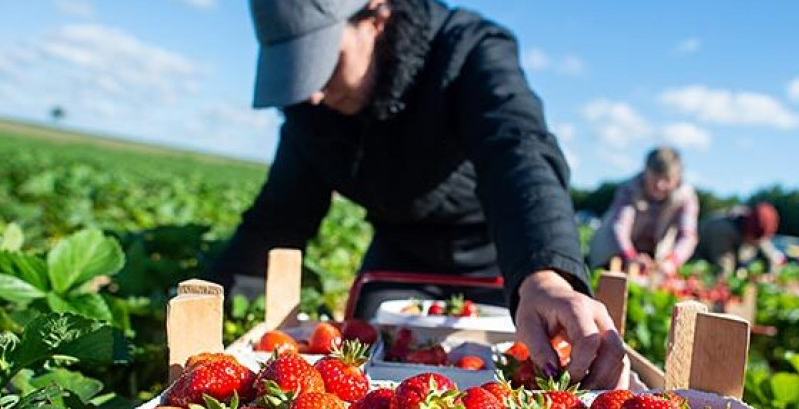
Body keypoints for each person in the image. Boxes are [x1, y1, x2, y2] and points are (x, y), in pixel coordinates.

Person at [208, 0, 627, 388]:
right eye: (295, 72)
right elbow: (280, 216)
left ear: (377, 16)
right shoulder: (311, 106)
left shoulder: (466, 51)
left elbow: (517, 151)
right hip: (398, 253)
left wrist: (545, 273)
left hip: (498, 253)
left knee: (514, 363)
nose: (312, 92)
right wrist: (218, 310)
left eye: (322, 62)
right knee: (372, 361)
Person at [587, 147, 699, 275]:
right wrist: (630, 256)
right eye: (655, 178)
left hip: (658, 255)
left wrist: (673, 261)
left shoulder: (686, 196)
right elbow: (620, 226)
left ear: (677, 177)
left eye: (667, 179)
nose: (660, 185)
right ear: (645, 172)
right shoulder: (629, 188)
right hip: (617, 250)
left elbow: (688, 235)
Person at [695, 203, 785, 278]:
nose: (756, 243)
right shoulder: (722, 229)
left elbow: (771, 257)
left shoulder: (759, 230)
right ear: (748, 231)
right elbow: (724, 268)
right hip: (699, 259)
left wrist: (769, 276)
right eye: (753, 239)